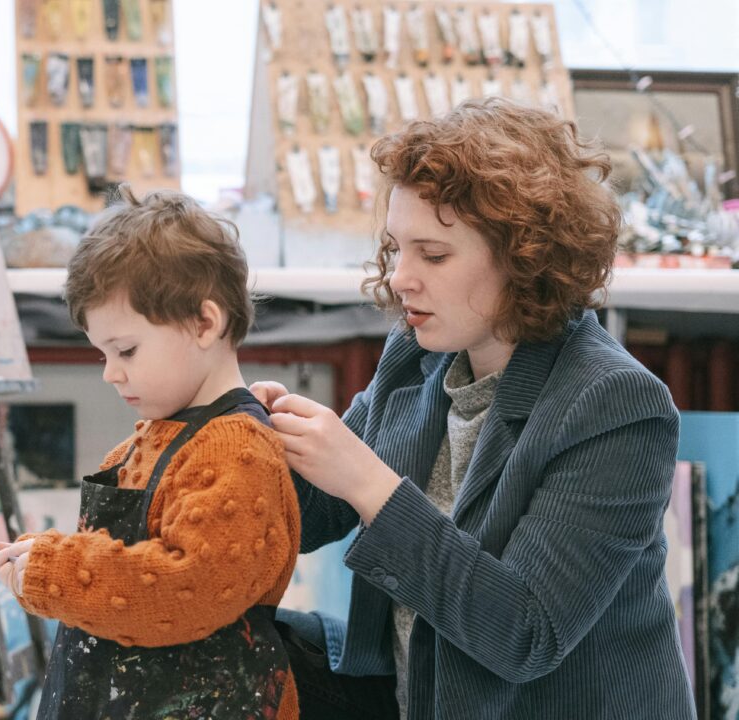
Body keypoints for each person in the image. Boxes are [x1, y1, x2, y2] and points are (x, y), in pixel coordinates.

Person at [251, 98, 695, 719]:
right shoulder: (419, 356)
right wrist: (240, 430)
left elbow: (524, 633)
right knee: (212, 645)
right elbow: (311, 510)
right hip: (420, 698)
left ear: (525, 257)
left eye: (432, 255)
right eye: (396, 248)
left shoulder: (616, 406)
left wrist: (368, 482)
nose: (402, 277)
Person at [0, 185, 302, 719]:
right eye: (102, 354)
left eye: (126, 350)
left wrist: (58, 572)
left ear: (205, 323)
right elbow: (118, 559)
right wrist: (44, 555)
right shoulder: (150, 439)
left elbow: (188, 588)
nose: (111, 372)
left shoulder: (236, 450)